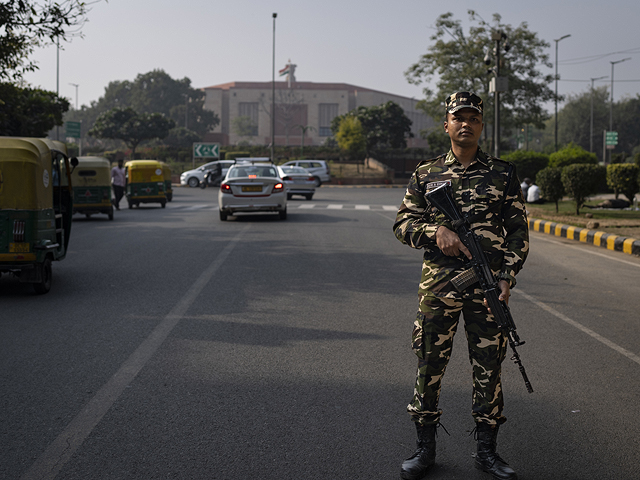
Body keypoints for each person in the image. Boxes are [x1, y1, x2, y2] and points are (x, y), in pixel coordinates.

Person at [393, 92, 529, 480]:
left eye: (473, 117)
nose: (465, 123)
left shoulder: (502, 173)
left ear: (481, 124)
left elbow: (518, 230)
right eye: (459, 117)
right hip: (439, 288)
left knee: (489, 367)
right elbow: (402, 224)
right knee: (430, 364)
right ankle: (424, 450)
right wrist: (436, 231)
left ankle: (487, 452)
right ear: (447, 124)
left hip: (487, 290)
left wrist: (506, 276)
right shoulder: (427, 173)